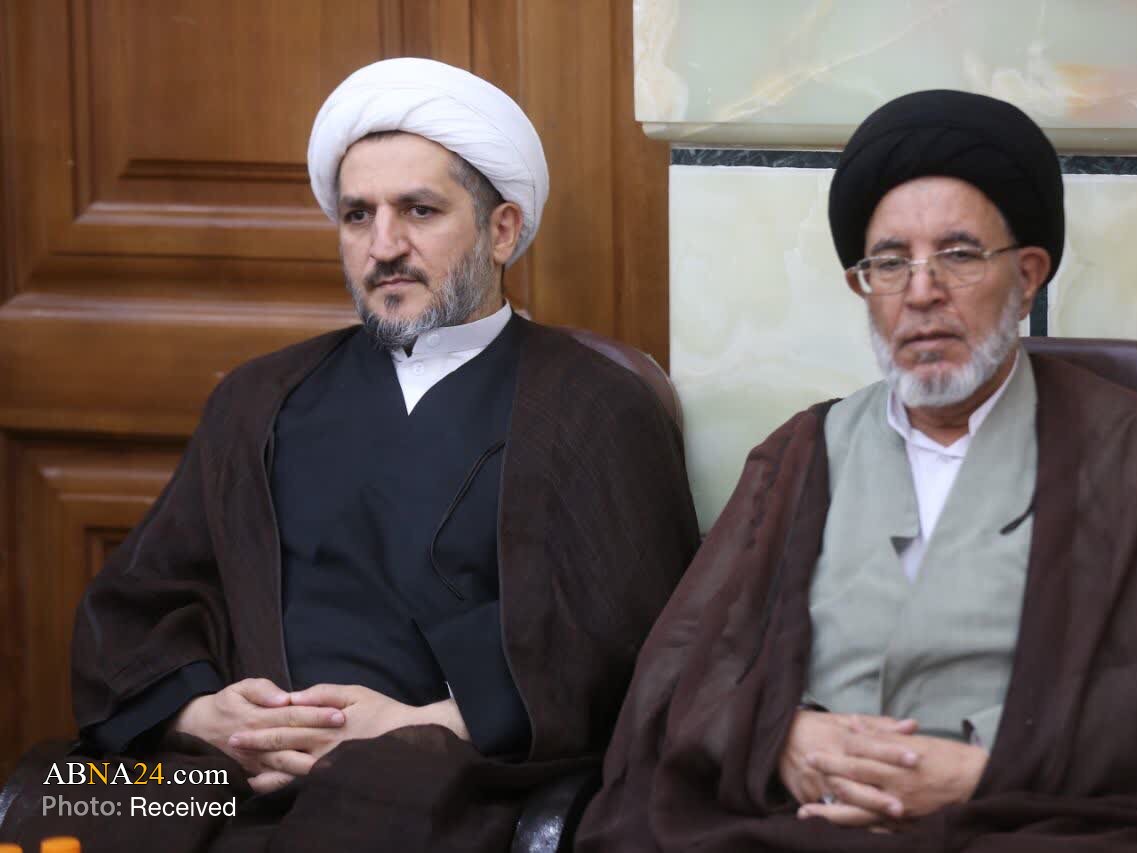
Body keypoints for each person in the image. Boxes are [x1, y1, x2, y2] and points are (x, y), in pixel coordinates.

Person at [7, 57, 699, 852]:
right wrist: (201, 712)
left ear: (502, 229)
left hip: (438, 766)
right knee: (75, 807)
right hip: (232, 763)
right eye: (357, 215)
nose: (384, 246)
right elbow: (140, 600)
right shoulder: (260, 398)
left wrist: (426, 721)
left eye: (419, 211)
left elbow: (630, 643)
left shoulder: (594, 404)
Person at [576, 89, 1137, 853]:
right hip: (799, 826)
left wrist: (982, 775)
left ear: (1028, 277)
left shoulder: (1130, 449)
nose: (921, 292)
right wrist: (779, 736)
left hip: (1018, 826)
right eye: (889, 263)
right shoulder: (803, 452)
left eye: (959, 254)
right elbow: (681, 676)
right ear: (863, 287)